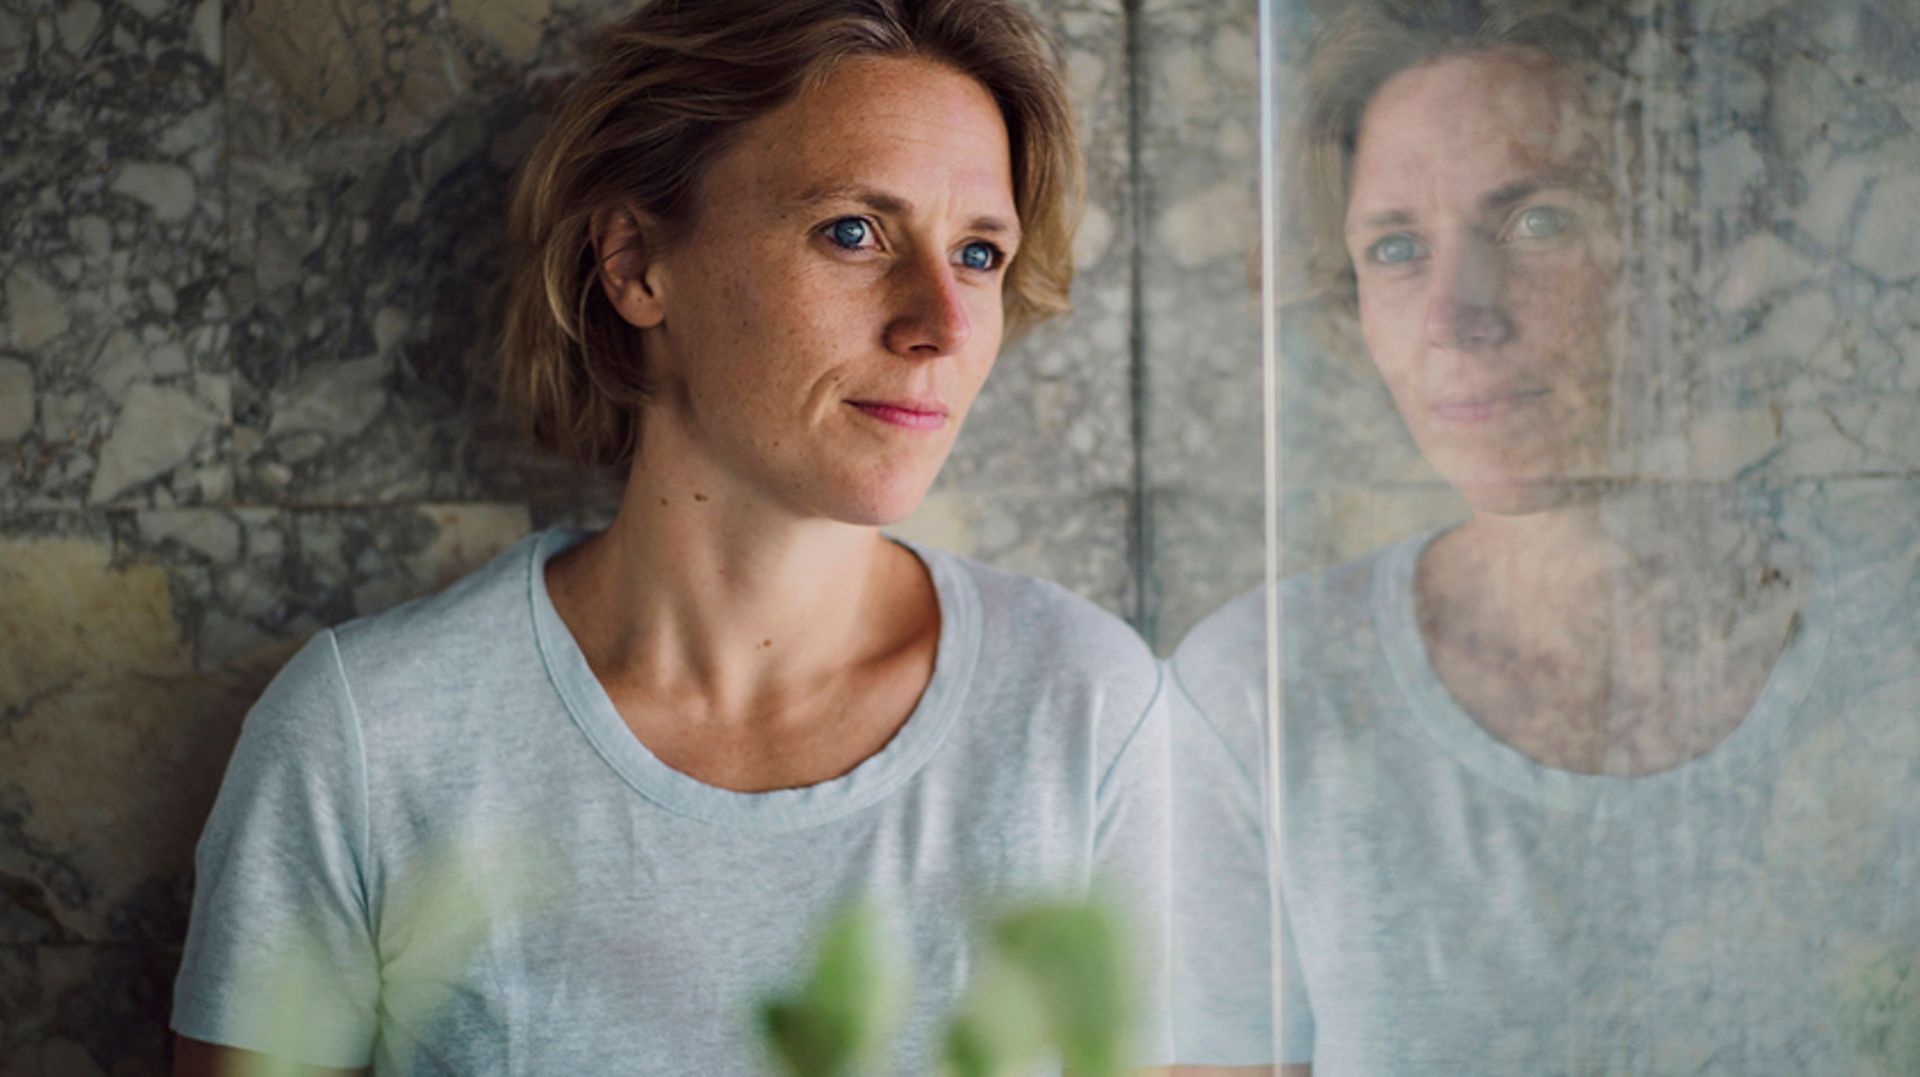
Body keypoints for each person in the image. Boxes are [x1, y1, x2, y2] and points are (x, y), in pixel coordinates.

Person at [170, 1, 1172, 1072]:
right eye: (852, 231)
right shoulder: (370, 742)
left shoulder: (1089, 715)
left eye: (979, 253)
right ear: (638, 264)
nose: (943, 323)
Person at [1168, 0, 1920, 1072]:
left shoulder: (1897, 646)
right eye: (1395, 249)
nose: (1457, 315)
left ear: (1687, 253)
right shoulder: (1260, 692)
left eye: (1539, 223)